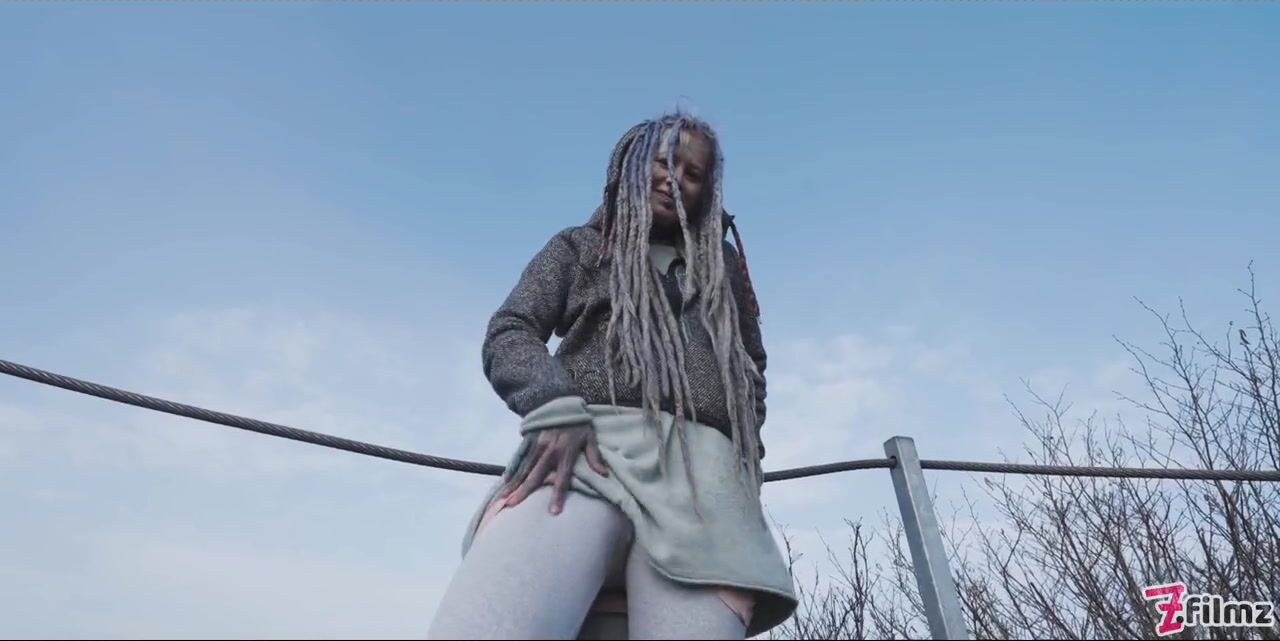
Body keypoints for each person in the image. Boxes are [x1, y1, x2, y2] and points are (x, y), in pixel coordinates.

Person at [427, 109, 797, 640]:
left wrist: (746, 460)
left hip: (706, 487)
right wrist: (551, 405)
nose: (673, 178)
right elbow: (511, 328)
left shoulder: (724, 269)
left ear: (707, 192)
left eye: (692, 173)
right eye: (661, 161)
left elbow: (750, 368)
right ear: (629, 166)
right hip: (588, 456)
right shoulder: (579, 248)